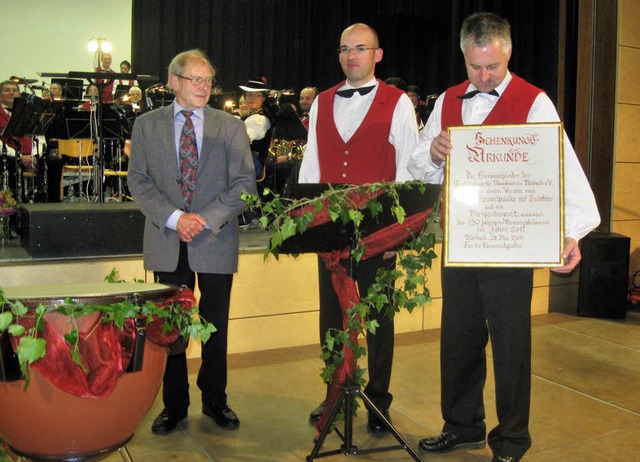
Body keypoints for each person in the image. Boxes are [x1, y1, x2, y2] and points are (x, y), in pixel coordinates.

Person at [407, 12, 601, 462]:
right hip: (460, 242)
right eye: (474, 67)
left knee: (512, 346)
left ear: (507, 51)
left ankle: (512, 440)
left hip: (512, 246)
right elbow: (417, 165)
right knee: (457, 339)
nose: (482, 75)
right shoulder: (448, 101)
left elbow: (563, 169)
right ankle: (461, 425)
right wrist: (433, 151)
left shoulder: (535, 102)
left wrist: (572, 232)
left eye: (491, 67)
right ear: (464, 55)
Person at [298, 23, 419, 436]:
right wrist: (308, 226)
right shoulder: (322, 102)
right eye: (345, 49)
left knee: (378, 321)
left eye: (361, 49)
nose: (352, 56)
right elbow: (311, 166)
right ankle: (336, 391)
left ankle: (378, 402)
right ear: (339, 55)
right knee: (332, 318)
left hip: (378, 235)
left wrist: (397, 235)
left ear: (377, 55)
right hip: (331, 232)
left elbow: (408, 171)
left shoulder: (398, 102)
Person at [127, 49, 256, 435]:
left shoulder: (230, 126)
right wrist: (175, 218)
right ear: (173, 82)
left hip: (214, 238)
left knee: (215, 325)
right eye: (194, 79)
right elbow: (139, 181)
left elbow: (244, 185)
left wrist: (204, 219)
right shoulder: (146, 125)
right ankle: (174, 404)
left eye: (207, 80)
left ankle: (216, 399)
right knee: (171, 328)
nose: (203, 87)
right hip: (167, 238)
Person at [0, 80, 63, 203]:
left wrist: (34, 156)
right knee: (11, 164)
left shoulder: (29, 112)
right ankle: (15, 205)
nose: (11, 93)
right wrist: (19, 157)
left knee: (55, 162)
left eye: (15, 90)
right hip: (8, 156)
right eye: (7, 90)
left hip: (30, 157)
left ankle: (52, 205)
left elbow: (39, 136)